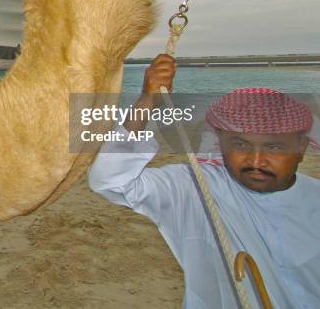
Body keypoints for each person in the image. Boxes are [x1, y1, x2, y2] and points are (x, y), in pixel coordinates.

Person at [88, 55, 320, 308]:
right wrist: (147, 100)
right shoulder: (196, 190)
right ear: (222, 145)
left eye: (274, 147)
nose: (256, 160)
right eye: (240, 144)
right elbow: (111, 181)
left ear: (301, 149)